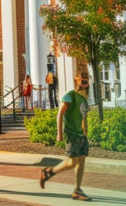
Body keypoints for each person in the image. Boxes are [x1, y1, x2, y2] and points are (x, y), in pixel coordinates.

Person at [39, 72, 92, 201]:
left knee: (81, 161)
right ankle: (49, 172)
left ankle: (77, 190)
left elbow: (84, 117)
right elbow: (60, 114)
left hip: (81, 135)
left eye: (86, 79)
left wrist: (86, 133)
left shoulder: (84, 99)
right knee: (72, 162)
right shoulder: (70, 95)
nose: (84, 80)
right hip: (71, 133)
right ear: (77, 80)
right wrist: (59, 133)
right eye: (82, 78)